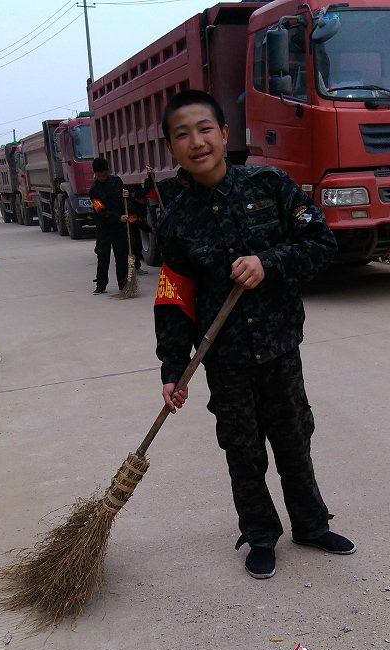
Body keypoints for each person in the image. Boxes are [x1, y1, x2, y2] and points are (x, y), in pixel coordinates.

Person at [154, 90, 356, 579]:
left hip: (280, 346)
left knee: (293, 439)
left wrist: (269, 263)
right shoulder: (177, 221)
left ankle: (310, 524)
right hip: (224, 359)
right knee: (242, 450)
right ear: (171, 148)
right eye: (182, 134)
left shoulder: (272, 185)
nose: (196, 141)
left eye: (205, 129)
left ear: (224, 134)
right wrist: (172, 369)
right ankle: (260, 534)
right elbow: (172, 299)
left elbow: (321, 243)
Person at [89, 157, 144, 294]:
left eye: (104, 174)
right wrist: (117, 217)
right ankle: (101, 285)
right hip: (104, 227)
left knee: (122, 255)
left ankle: (124, 285)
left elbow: (125, 197)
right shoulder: (93, 190)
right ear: (95, 174)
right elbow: (100, 210)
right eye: (99, 175)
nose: (102, 177)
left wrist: (127, 194)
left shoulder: (116, 181)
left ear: (108, 172)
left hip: (119, 227)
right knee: (103, 256)